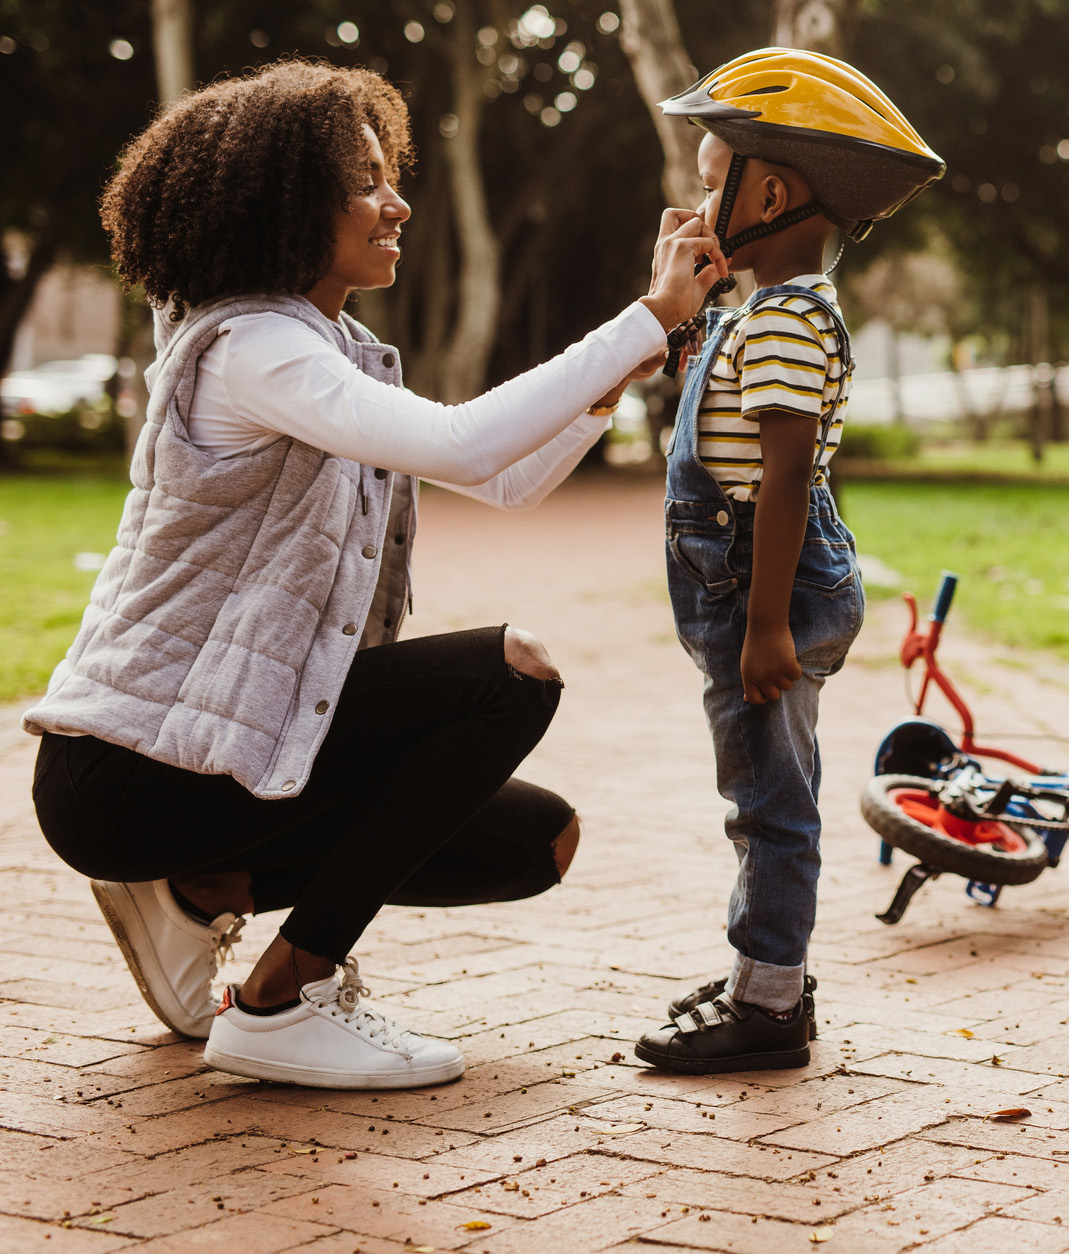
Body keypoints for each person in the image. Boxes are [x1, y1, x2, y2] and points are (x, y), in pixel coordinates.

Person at [24, 59, 727, 1091]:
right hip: (127, 770)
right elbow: (464, 444)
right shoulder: (253, 347)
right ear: (284, 203)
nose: (395, 202)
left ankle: (201, 887)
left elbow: (506, 479)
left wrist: (626, 361)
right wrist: (647, 317)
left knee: (536, 843)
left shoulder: (331, 348)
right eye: (364, 182)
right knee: (511, 673)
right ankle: (280, 999)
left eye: (387, 174)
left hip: (215, 754)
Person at [634, 49, 944, 1073]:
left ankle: (767, 1003)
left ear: (766, 191)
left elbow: (782, 475)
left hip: (762, 587)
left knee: (769, 802)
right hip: (751, 584)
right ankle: (758, 977)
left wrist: (765, 622)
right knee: (766, 788)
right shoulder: (757, 311)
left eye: (707, 168)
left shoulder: (789, 319)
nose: (694, 193)